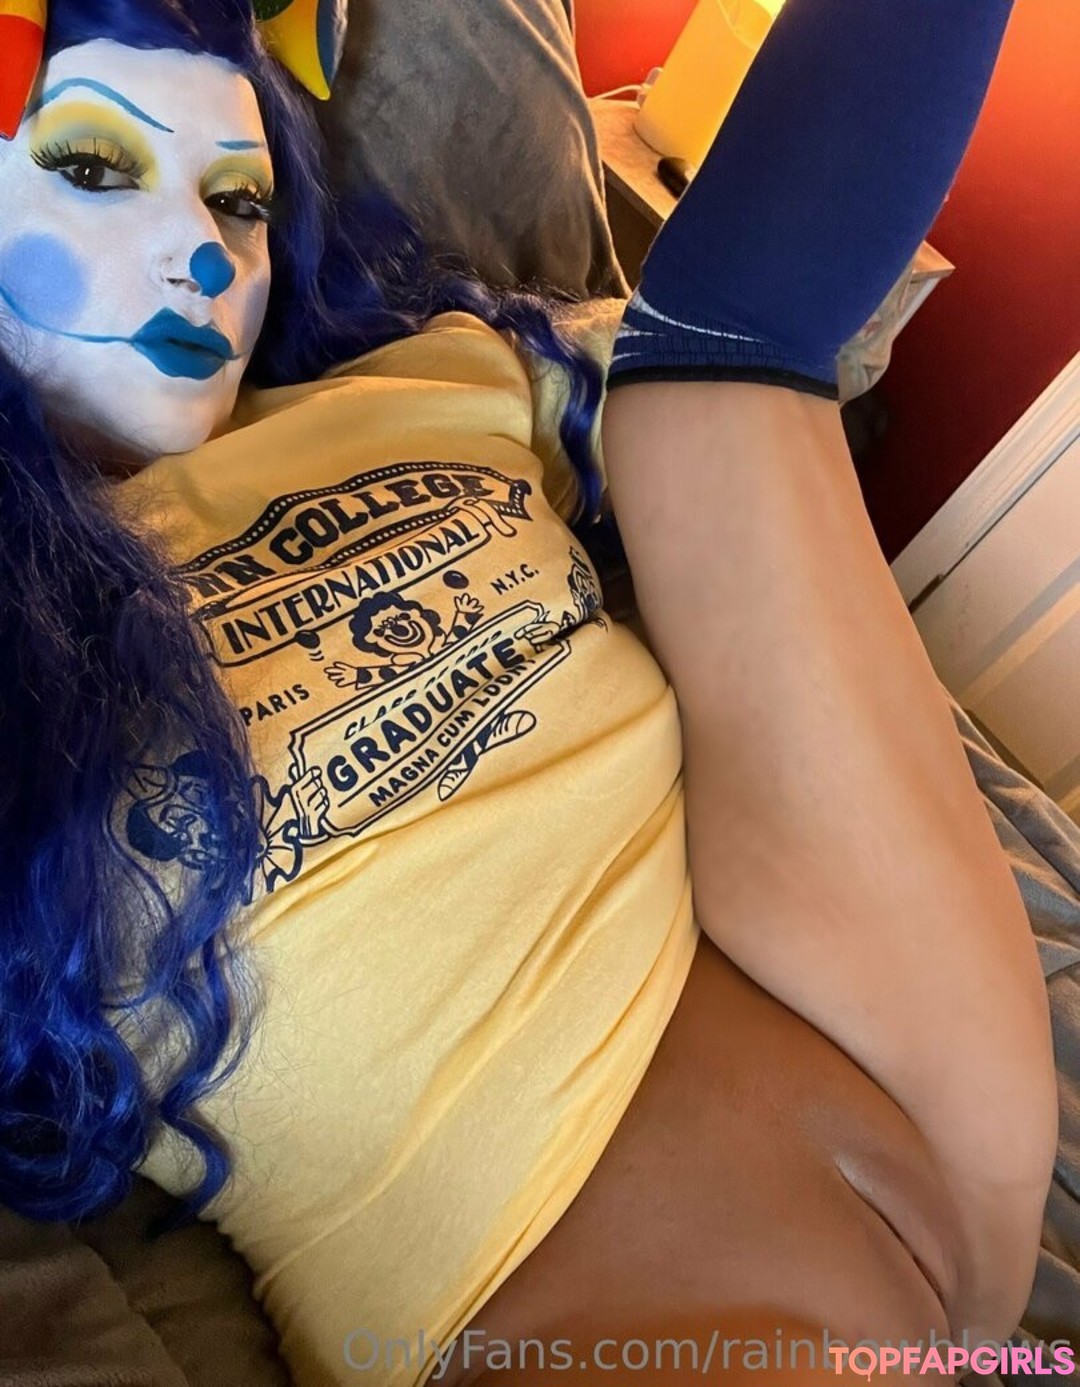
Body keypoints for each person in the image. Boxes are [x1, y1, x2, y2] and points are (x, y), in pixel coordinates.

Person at [0, 1, 1058, 1385]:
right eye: (91, 166)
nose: (204, 254)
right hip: (558, 1302)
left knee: (706, 379)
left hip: (913, 1062)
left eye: (241, 199)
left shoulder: (428, 376)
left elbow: (743, 324)